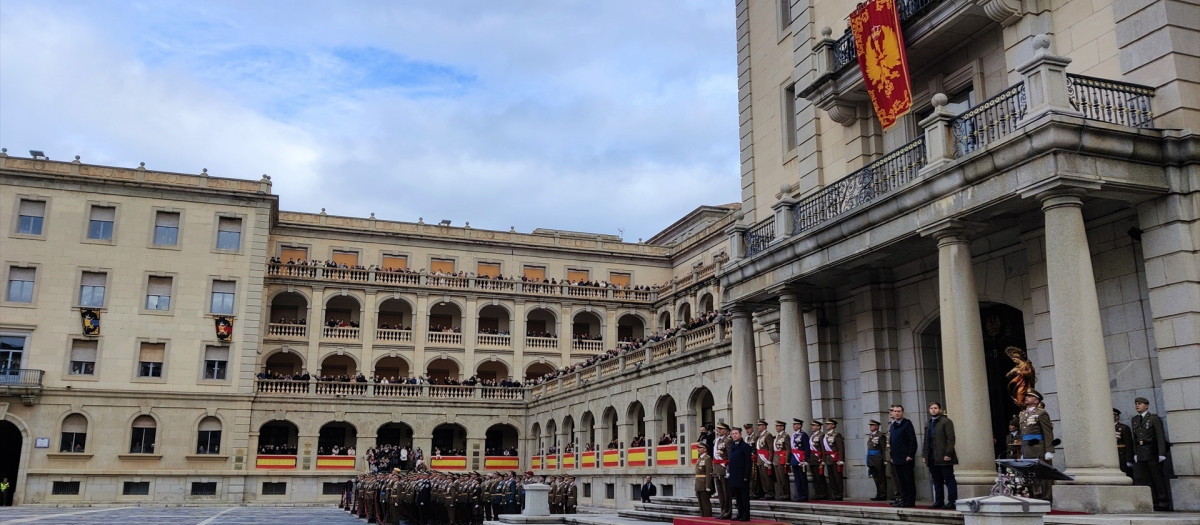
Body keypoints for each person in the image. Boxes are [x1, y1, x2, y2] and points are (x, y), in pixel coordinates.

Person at [1131, 396, 1171, 511]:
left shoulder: (1153, 419)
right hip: (1141, 452)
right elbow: (1135, 438)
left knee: (1157, 478)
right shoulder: (1135, 419)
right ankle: (1153, 501)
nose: (1137, 406)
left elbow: (1160, 436)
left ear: (1146, 405)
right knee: (1146, 478)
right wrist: (1135, 452)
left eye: (1140, 404)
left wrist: (1162, 452)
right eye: (1136, 404)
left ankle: (1163, 502)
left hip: (1152, 451)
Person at [1019, 390, 1054, 500]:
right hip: (1027, 449)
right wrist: (1022, 451)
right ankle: (1034, 498)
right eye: (1026, 396)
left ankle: (1047, 499)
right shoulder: (1023, 414)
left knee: (1044, 476)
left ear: (1036, 400)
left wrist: (1049, 450)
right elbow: (1023, 434)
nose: (1026, 397)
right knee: (1031, 475)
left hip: (1039, 448)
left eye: (1030, 396)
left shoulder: (1041, 413)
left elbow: (1047, 432)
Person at [925, 402, 957, 509]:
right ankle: (939, 501)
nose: (933, 410)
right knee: (936, 480)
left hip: (944, 456)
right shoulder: (929, 423)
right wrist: (924, 455)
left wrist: (948, 453)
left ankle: (952, 501)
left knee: (948, 479)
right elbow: (926, 440)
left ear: (940, 409)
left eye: (935, 408)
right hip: (932, 456)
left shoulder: (946, 421)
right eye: (931, 408)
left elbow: (950, 438)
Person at [889, 404, 917, 508]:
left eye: (899, 411)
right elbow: (892, 442)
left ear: (902, 413)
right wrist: (891, 455)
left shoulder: (907, 424)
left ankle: (910, 501)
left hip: (906, 458)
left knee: (908, 480)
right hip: (896, 458)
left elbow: (912, 440)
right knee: (901, 481)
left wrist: (910, 455)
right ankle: (904, 499)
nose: (896, 413)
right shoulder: (893, 425)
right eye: (895, 411)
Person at [726, 427, 753, 521]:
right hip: (734, 475)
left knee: (744, 497)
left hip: (742, 476)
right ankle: (740, 513)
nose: (734, 435)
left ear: (740, 435)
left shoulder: (745, 446)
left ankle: (746, 515)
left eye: (736, 433)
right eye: (733, 434)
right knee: (737, 497)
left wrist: (746, 475)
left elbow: (748, 462)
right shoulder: (732, 446)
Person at [821, 418, 845, 501]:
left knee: (837, 477)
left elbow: (840, 448)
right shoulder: (825, 435)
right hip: (828, 459)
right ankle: (834, 493)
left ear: (833, 425)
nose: (827, 425)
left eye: (828, 424)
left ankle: (839, 494)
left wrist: (841, 459)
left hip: (835, 459)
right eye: (826, 424)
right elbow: (824, 450)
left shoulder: (837, 435)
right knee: (831, 478)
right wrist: (823, 460)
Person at [712, 422, 733, 519]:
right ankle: (722, 511)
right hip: (717, 468)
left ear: (726, 430)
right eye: (718, 429)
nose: (719, 430)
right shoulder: (717, 441)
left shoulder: (728, 441)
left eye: (721, 429)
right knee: (720, 493)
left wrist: (728, 470)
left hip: (724, 468)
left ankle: (727, 512)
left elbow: (730, 456)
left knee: (726, 492)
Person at [866, 419, 888, 501]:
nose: (870, 427)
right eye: (870, 425)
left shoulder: (880, 435)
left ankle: (883, 494)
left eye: (872, 425)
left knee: (881, 477)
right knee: (875, 477)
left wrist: (885, 459)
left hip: (878, 458)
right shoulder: (870, 435)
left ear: (877, 426)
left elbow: (883, 448)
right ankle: (878, 493)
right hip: (871, 458)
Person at [788, 418, 809, 502]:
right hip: (794, 459)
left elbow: (807, 448)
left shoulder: (803, 435)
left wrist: (806, 459)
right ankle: (800, 494)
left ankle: (804, 495)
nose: (794, 426)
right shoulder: (793, 435)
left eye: (795, 424)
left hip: (801, 459)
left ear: (799, 425)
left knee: (802, 478)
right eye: (793, 424)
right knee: (797, 478)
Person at [753, 419, 775, 500]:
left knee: (767, 478)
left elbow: (770, 449)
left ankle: (770, 493)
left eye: (760, 425)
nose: (758, 427)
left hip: (765, 459)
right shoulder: (760, 436)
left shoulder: (768, 435)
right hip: (760, 459)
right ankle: (766, 492)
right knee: (762, 478)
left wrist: (769, 460)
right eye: (758, 425)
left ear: (764, 426)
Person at [807, 419, 826, 500]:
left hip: (818, 458)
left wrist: (823, 459)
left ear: (818, 427)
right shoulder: (812, 435)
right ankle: (818, 493)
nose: (812, 427)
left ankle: (823, 493)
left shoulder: (821, 435)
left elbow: (823, 448)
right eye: (812, 425)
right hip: (812, 459)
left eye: (814, 425)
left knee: (820, 477)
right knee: (815, 477)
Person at [771, 420, 790, 501]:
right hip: (776, 459)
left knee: (783, 478)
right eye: (776, 426)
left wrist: (787, 461)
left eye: (778, 426)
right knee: (778, 478)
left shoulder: (786, 436)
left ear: (782, 427)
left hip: (782, 459)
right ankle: (782, 494)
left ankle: (786, 494)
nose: (777, 428)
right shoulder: (777, 436)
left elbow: (788, 449)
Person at [694, 442, 715, 517]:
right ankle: (702, 517)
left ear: (705, 449)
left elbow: (709, 473)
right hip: (699, 484)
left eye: (700, 448)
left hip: (704, 484)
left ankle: (707, 518)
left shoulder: (707, 458)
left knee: (705, 503)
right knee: (701, 504)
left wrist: (708, 486)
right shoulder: (699, 459)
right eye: (698, 448)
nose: (698, 449)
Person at [1114, 407, 1135, 480]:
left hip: (1122, 455)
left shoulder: (1123, 428)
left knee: (1126, 475)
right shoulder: (1106, 428)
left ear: (1117, 416)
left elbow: (1129, 444)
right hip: (1112, 456)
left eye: (1114, 415)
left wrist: (1129, 459)